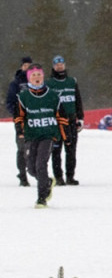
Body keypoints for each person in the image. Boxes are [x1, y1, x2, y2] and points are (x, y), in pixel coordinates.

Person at [13, 64, 68, 208]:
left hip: (48, 135)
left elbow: (62, 116)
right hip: (31, 136)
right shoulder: (23, 97)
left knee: (40, 165)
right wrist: (20, 131)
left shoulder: (53, 95)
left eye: (39, 75)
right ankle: (47, 182)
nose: (36, 78)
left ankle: (41, 198)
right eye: (33, 75)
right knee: (31, 168)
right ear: (29, 78)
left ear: (43, 76)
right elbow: (18, 117)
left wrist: (65, 135)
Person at [47, 55, 84, 186]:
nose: (59, 66)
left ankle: (70, 176)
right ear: (53, 66)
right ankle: (58, 177)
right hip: (56, 122)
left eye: (61, 63)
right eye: (56, 64)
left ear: (65, 65)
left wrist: (81, 118)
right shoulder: (49, 83)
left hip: (71, 120)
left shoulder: (72, 81)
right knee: (56, 151)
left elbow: (78, 100)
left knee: (71, 149)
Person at [6, 56, 32, 186]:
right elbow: (10, 102)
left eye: (29, 65)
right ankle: (22, 175)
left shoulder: (37, 81)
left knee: (35, 148)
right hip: (21, 121)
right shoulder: (15, 83)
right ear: (22, 67)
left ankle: (35, 171)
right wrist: (17, 115)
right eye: (25, 65)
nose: (27, 68)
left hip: (35, 119)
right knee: (22, 148)